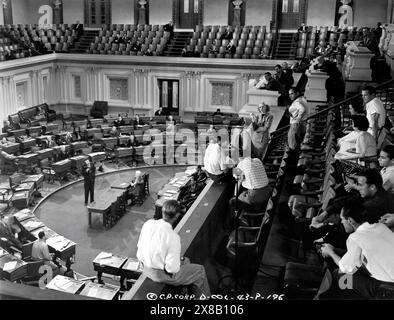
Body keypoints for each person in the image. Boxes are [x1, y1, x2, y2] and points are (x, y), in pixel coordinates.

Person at [317, 201, 394, 299]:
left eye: (342, 219)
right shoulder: (380, 227)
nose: (341, 222)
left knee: (341, 276)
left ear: (350, 221)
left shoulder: (355, 237)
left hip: (388, 290)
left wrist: (331, 252)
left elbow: (345, 268)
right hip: (389, 279)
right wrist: (335, 250)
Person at [136, 200, 211, 299]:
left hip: (144, 267)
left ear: (163, 212)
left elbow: (139, 245)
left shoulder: (148, 224)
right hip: (158, 274)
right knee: (200, 271)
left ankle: (185, 292)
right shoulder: (173, 237)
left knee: (186, 261)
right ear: (176, 216)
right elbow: (172, 269)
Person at [287, 87, 309, 151]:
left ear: (297, 93)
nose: (290, 95)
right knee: (296, 145)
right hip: (301, 124)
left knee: (293, 146)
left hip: (296, 125)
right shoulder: (302, 99)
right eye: (289, 94)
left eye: (292, 93)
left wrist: (298, 118)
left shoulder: (297, 101)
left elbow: (302, 109)